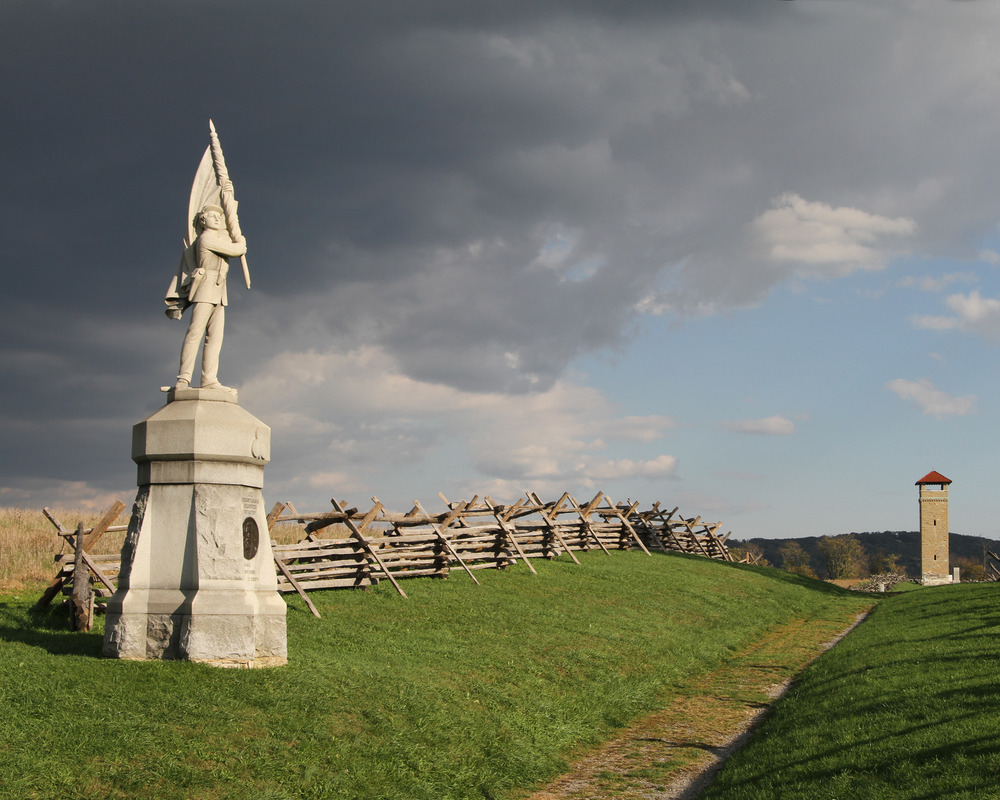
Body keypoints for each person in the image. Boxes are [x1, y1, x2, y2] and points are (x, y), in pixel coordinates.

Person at [165, 204, 247, 390]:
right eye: (212, 216)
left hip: (218, 290)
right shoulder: (207, 238)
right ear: (203, 221)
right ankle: (183, 379)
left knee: (215, 337)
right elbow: (236, 250)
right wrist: (241, 242)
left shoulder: (217, 237)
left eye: (219, 217)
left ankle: (209, 379)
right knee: (195, 333)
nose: (217, 219)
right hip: (206, 288)